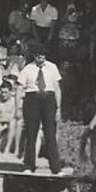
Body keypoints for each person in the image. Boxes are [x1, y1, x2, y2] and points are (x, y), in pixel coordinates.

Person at [17, 42, 69, 174]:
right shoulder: (27, 69)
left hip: (48, 99)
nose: (41, 57)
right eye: (38, 55)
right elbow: (19, 88)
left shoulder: (52, 67)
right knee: (31, 134)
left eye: (43, 55)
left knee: (50, 134)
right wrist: (18, 107)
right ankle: (29, 166)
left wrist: (58, 108)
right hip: (32, 98)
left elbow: (57, 88)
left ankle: (55, 168)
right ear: (34, 56)